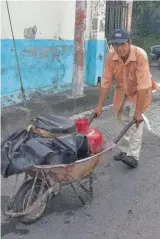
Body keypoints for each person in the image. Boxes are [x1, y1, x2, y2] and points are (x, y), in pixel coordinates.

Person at [94, 29, 158, 168]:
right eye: (115, 45)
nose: (119, 48)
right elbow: (106, 81)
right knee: (121, 120)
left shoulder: (141, 56)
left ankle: (133, 156)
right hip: (122, 92)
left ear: (129, 43)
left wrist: (139, 112)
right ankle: (124, 151)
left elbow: (142, 86)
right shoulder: (111, 57)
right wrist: (99, 106)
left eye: (122, 44)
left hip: (139, 93)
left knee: (136, 123)